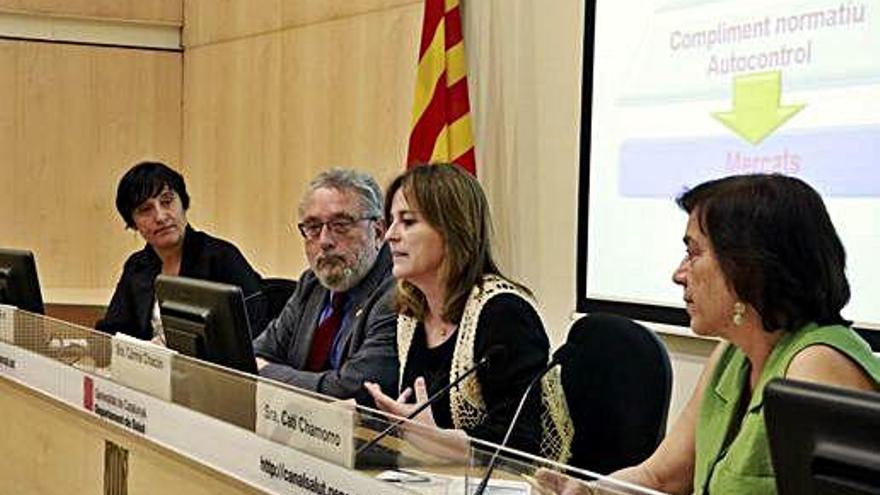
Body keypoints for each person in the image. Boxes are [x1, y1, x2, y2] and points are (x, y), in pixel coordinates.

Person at [538, 174, 880, 495]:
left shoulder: (816, 365)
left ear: (748, 267)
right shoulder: (732, 353)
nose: (678, 274)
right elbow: (661, 475)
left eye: (694, 252)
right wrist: (590, 491)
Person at [364, 163, 571, 461]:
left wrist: (439, 441)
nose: (390, 236)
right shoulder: (411, 314)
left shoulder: (504, 313)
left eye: (408, 222)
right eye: (391, 222)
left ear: (452, 229)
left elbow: (520, 447)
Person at [252, 168, 398, 405]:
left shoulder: (398, 293)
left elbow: (354, 390)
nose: (325, 241)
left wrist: (267, 373)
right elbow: (257, 353)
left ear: (379, 231)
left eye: (341, 225)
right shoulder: (311, 284)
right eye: (312, 227)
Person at [96, 161, 267, 341]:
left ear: (183, 204)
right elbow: (114, 330)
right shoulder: (137, 265)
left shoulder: (222, 257)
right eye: (145, 210)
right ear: (133, 223)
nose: (160, 217)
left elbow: (255, 332)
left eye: (167, 201)